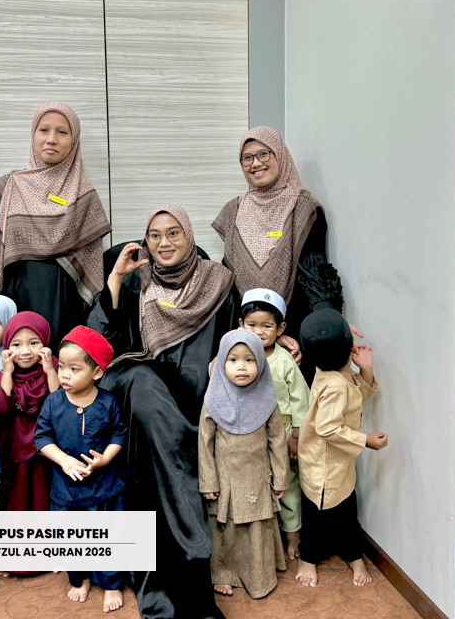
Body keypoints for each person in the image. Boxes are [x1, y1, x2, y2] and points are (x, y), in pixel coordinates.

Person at [87, 204, 236, 619]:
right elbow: (99, 342)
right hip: (139, 386)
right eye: (154, 235)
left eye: (173, 233)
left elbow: (234, 340)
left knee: (160, 420)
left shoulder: (219, 282)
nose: (163, 242)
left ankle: (184, 576)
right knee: (144, 386)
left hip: (194, 393)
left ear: (189, 237)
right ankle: (186, 569)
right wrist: (115, 280)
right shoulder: (137, 282)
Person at [0, 102, 111, 351]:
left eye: (62, 132)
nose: (51, 139)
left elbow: (93, 272)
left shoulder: (85, 198)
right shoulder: (10, 188)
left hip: (67, 310)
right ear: (33, 134)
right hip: (16, 306)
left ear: (74, 140)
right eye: (44, 130)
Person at [212, 126, 348, 379]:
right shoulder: (233, 211)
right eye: (247, 157)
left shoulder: (302, 207)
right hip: (245, 328)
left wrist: (329, 321)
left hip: (293, 328)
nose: (256, 163)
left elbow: (313, 271)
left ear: (281, 155)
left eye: (264, 154)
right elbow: (228, 275)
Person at [36, 325, 126, 612]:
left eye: (74, 369)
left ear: (97, 372)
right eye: (61, 366)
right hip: (67, 491)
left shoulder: (108, 402)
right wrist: (63, 460)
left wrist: (105, 459)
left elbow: (119, 434)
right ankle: (80, 578)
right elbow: (42, 438)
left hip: (104, 488)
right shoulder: (53, 402)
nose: (64, 374)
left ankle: (111, 583)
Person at [295, 310, 388, 588]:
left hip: (338, 461)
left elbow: (353, 393)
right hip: (323, 467)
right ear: (350, 346)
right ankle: (308, 557)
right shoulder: (336, 385)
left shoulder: (328, 369)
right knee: (318, 516)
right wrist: (366, 439)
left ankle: (352, 552)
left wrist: (366, 370)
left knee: (347, 508)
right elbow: (327, 428)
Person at [199, 329, 289, 599]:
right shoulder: (213, 400)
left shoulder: (267, 400)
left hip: (257, 477)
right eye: (233, 359)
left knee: (257, 526)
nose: (241, 366)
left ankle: (260, 577)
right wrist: (208, 481)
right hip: (225, 479)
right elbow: (204, 442)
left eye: (249, 360)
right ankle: (223, 574)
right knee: (226, 528)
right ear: (221, 362)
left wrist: (281, 477)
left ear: (260, 361)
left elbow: (277, 440)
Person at [238, 288, 310, 561]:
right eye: (252, 325)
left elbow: (300, 399)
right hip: (250, 433)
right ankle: (261, 537)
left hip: (283, 431)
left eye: (267, 326)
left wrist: (296, 437)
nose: (259, 332)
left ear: (280, 329)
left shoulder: (285, 361)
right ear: (241, 325)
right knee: (254, 483)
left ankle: (292, 533)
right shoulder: (237, 358)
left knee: (286, 482)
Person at [0, 312, 58, 516]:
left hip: (47, 449)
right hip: (15, 449)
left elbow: (58, 403)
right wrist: (8, 372)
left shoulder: (53, 369)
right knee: (17, 500)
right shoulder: (3, 376)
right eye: (16, 345)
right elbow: (2, 407)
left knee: (44, 497)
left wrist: (50, 371)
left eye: (34, 343)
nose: (25, 351)